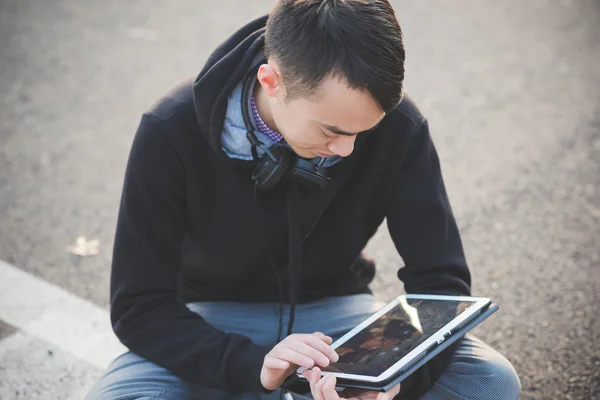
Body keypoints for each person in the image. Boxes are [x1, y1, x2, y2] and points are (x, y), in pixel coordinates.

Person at [86, 1, 521, 399]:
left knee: (490, 381)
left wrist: (395, 378)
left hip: (337, 320)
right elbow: (138, 306)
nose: (348, 150)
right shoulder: (170, 129)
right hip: (209, 322)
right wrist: (252, 365)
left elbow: (440, 286)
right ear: (271, 81)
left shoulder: (399, 125)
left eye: (362, 132)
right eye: (331, 131)